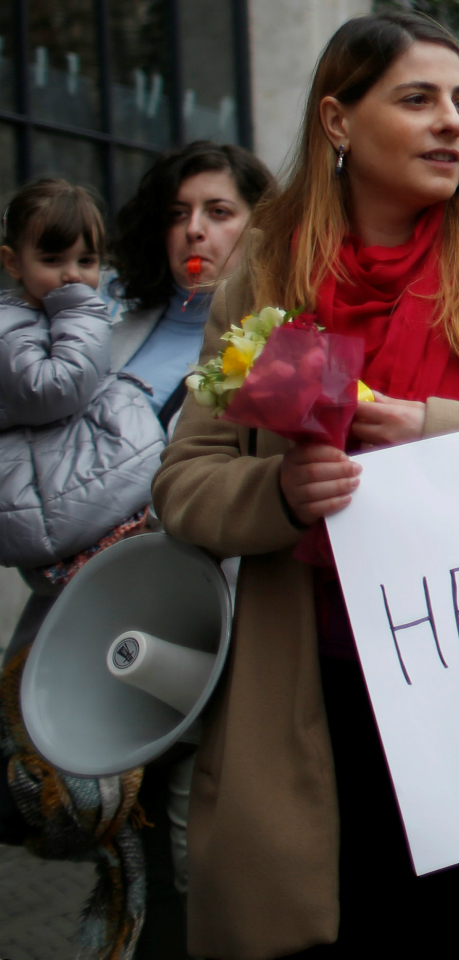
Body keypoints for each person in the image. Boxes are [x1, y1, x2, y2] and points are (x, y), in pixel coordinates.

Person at [153, 11, 459, 959]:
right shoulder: (263, 280)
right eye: (416, 100)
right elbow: (185, 483)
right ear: (337, 120)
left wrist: (430, 430)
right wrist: (280, 496)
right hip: (312, 691)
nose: (453, 122)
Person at [0, 178, 165, 959]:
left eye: (87, 259)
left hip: (87, 523)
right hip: (64, 533)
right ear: (10, 261)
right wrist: (83, 308)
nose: (71, 274)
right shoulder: (21, 326)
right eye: (51, 258)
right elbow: (56, 386)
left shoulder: (60, 316)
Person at [110, 142, 276, 429]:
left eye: (218, 212)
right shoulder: (105, 317)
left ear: (260, 225)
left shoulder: (282, 342)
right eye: (178, 214)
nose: (193, 229)